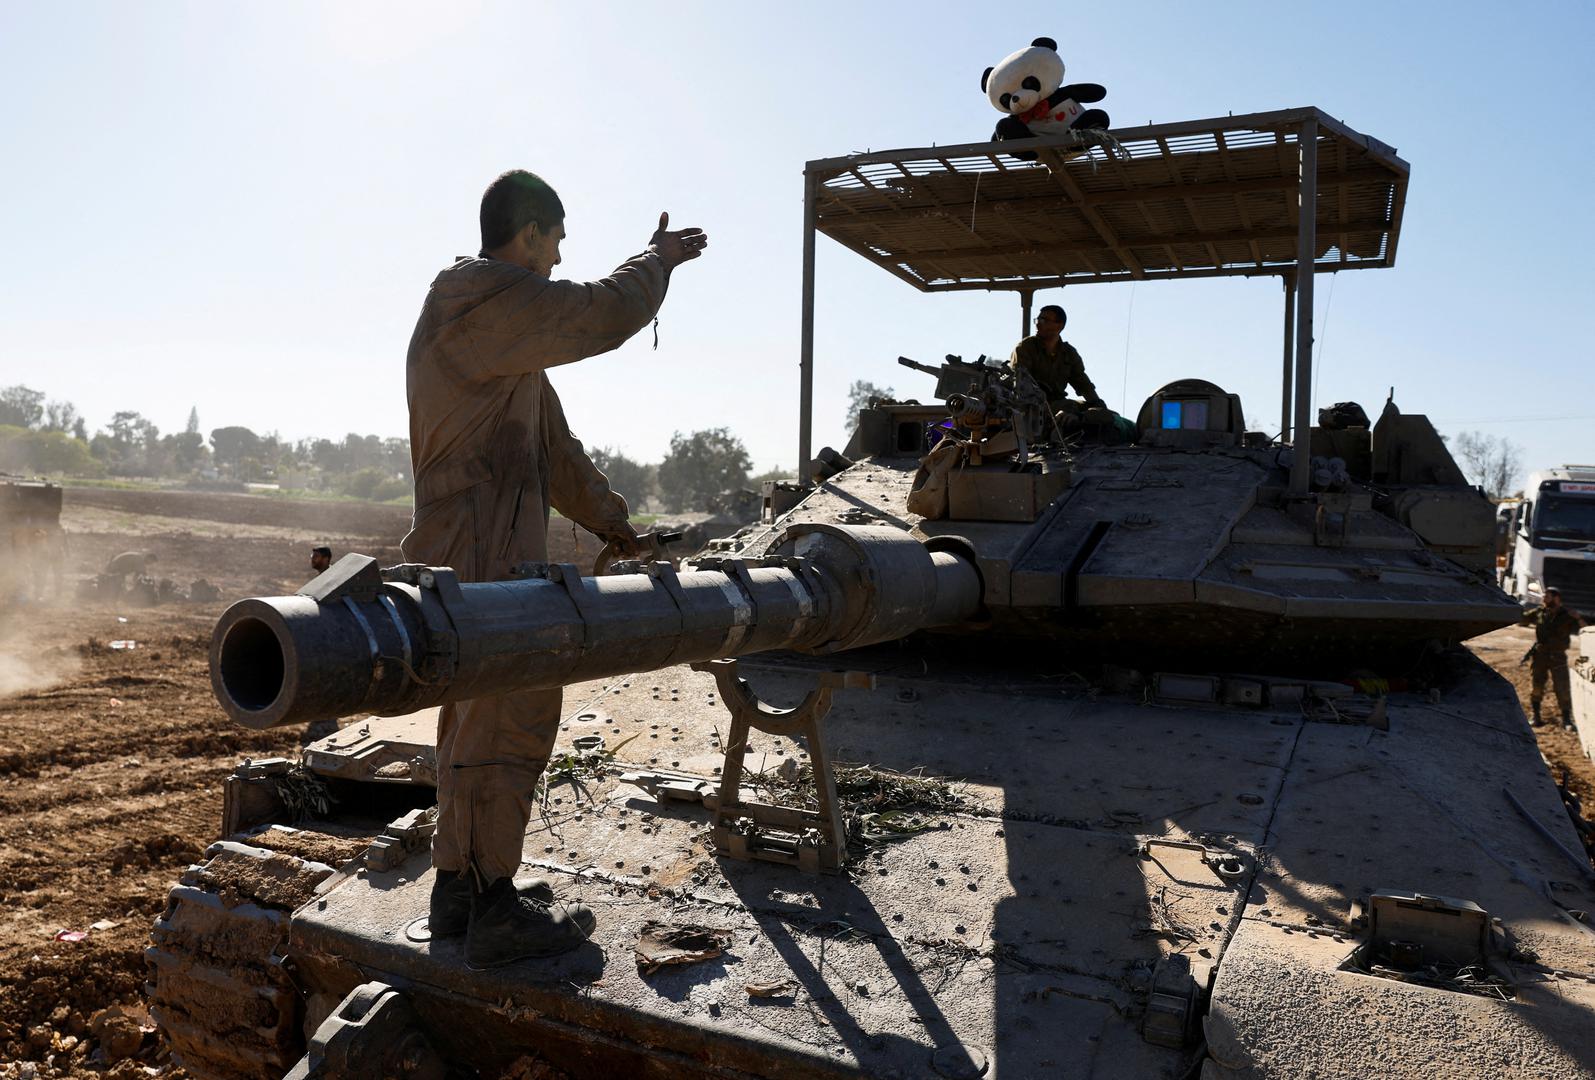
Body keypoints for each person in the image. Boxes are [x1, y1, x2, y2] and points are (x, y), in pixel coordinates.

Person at [401, 169, 707, 968]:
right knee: (508, 720)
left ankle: (463, 891)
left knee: (477, 723)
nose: (560, 253)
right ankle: (493, 907)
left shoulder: (505, 339)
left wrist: (615, 523)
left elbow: (555, 453)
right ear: (531, 231)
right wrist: (657, 261)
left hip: (484, 549)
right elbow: (598, 315)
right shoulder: (478, 297)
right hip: (480, 552)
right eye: (559, 237)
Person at [1009, 304, 1105, 415]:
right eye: (1038, 320)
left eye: (1044, 320)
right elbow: (1021, 382)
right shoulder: (1026, 347)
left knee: (1093, 412)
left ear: (1059, 325)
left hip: (1058, 403)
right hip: (1030, 406)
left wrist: (1098, 405)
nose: (1038, 324)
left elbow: (1082, 383)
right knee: (1070, 407)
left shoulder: (1069, 353)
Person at [1521, 587, 1587, 727]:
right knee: (1537, 686)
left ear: (1557, 598)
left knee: (1562, 687)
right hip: (1540, 655)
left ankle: (1566, 720)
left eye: (1547, 597)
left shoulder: (1568, 614)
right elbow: (1522, 619)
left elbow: (1585, 629)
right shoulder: (1539, 612)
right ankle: (1536, 716)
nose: (1544, 599)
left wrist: (1579, 618)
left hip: (1558, 656)